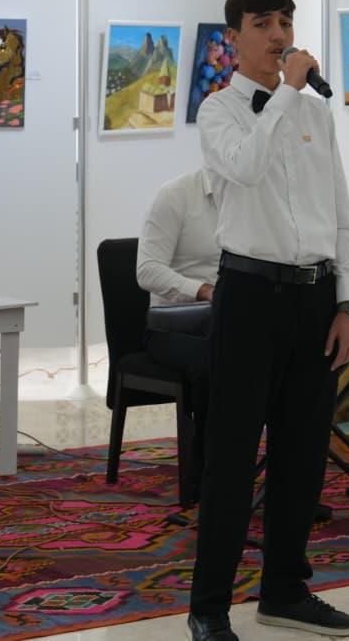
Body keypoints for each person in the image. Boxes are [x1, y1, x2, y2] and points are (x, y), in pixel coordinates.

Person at [188, 0, 349, 641]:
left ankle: (285, 591)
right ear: (234, 36)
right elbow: (248, 167)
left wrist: (348, 301)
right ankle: (208, 607)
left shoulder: (317, 114)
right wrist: (287, 92)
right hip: (250, 296)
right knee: (232, 458)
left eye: (286, 21)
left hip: (315, 300)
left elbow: (340, 214)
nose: (279, 34)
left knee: (304, 454)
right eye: (263, 23)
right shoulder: (218, 111)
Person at [135, 168, 218, 503]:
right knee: (217, 360)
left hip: (227, 321)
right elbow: (147, 270)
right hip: (173, 325)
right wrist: (203, 290)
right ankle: (209, 473)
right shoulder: (176, 195)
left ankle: (290, 478)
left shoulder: (255, 199)